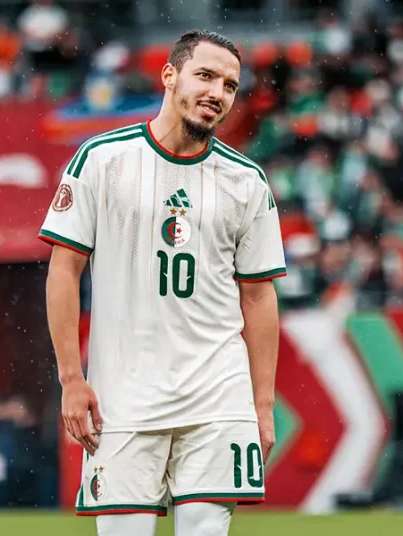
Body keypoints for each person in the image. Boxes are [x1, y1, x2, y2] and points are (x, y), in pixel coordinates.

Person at [39, 29, 286, 536]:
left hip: (219, 396)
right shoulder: (102, 159)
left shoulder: (246, 181)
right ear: (169, 76)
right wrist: (70, 379)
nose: (217, 92)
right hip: (122, 397)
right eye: (206, 76)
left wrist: (261, 405)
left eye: (230, 85)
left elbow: (260, 297)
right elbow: (64, 270)